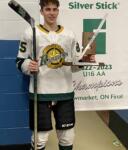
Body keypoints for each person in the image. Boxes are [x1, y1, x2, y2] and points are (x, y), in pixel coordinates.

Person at [16, 0, 80, 149]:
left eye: (54, 9)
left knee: (68, 137)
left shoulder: (69, 34)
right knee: (39, 139)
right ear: (42, 11)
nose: (51, 13)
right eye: (48, 9)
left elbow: (75, 67)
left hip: (65, 92)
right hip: (41, 93)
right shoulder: (30, 33)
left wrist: (84, 62)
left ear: (58, 11)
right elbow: (19, 61)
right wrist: (28, 65)